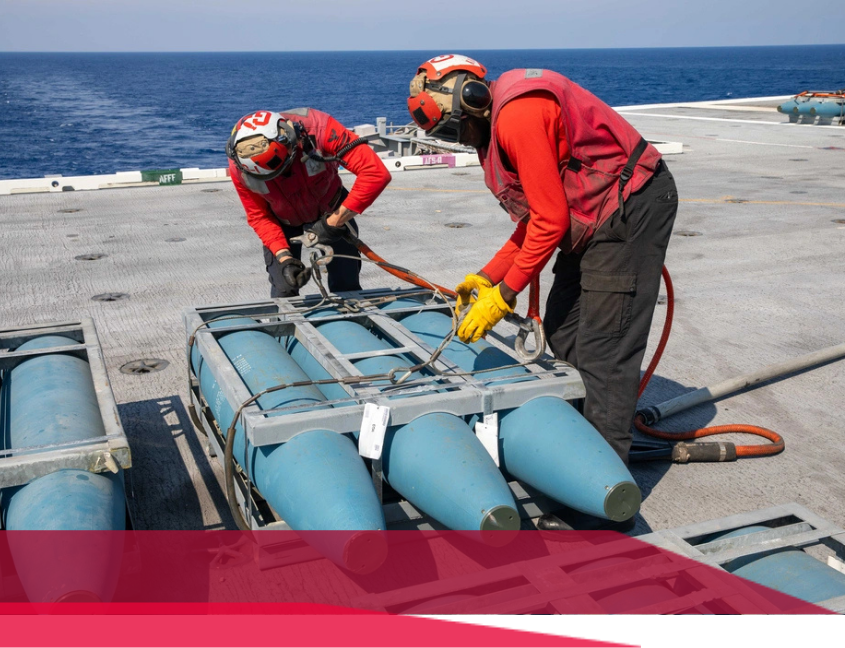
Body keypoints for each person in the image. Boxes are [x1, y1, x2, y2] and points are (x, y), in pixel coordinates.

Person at [407, 55, 678, 467]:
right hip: (588, 215)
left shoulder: (518, 117)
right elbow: (538, 218)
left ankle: (603, 487)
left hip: (630, 209)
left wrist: (504, 294)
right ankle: (576, 437)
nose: (460, 140)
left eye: (455, 128)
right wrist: (485, 277)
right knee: (564, 330)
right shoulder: (496, 124)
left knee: (605, 351)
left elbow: (549, 222)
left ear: (472, 98)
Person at [227, 108, 391, 297]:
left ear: (290, 143)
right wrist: (284, 257)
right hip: (282, 221)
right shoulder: (240, 167)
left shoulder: (320, 128)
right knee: (284, 289)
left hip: (332, 209)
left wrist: (333, 224)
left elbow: (375, 173)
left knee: (346, 285)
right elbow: (259, 216)